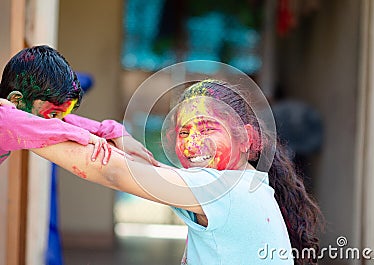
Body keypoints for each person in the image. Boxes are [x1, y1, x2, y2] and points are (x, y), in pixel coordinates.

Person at [28, 79, 323, 264]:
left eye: (208, 128)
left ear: (246, 139)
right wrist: (109, 132)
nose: (193, 143)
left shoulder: (223, 187)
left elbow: (113, 171)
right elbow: (141, 170)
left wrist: (20, 127)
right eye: (184, 132)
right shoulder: (242, 183)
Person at [0, 45, 157, 165]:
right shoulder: (4, 117)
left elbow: (64, 123)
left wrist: (117, 133)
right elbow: (51, 127)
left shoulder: (23, 115)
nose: (57, 122)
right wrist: (85, 136)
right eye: (53, 115)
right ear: (15, 101)